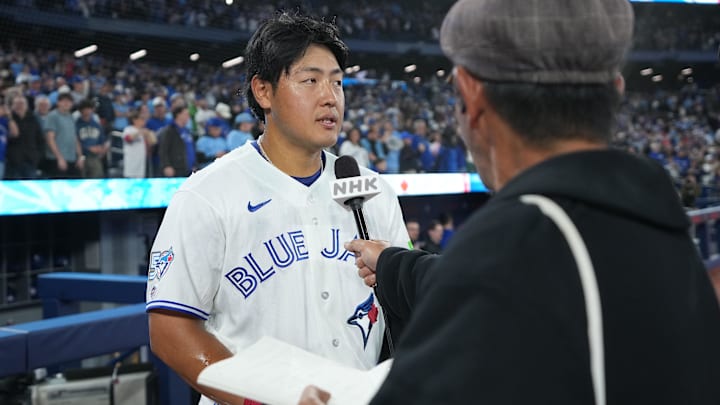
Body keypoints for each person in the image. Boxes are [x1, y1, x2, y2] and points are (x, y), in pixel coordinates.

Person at [301, 0, 720, 404]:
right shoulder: (661, 228)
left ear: (471, 95)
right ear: (617, 90)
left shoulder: (514, 242)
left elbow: (498, 282)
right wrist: (394, 262)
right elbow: (503, 284)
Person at [146, 11, 410, 405]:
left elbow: (406, 307)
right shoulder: (208, 193)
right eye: (310, 80)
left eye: (337, 82)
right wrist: (262, 399)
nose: (330, 96)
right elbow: (170, 329)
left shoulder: (372, 190)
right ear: (263, 91)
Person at [42, 92, 84, 178]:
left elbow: (75, 138)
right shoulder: (52, 116)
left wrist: (80, 157)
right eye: (64, 101)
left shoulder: (71, 117)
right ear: (58, 102)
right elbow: (50, 139)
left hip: (71, 158)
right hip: (56, 159)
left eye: (69, 101)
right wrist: (59, 158)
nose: (67, 103)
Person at [7, 94, 44, 179]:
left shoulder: (33, 119)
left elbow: (40, 140)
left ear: (26, 105)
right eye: (17, 104)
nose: (19, 106)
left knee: (31, 187)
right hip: (13, 161)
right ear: (12, 106)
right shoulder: (8, 120)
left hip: (30, 159)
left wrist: (37, 156)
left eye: (22, 103)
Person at [157, 105, 195, 177]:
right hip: (175, 169)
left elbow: (192, 149)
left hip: (189, 169)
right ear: (178, 115)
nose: (188, 117)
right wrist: (166, 165)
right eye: (186, 114)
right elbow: (163, 149)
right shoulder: (169, 131)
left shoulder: (187, 131)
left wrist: (195, 164)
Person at [76, 98, 109, 178]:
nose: (87, 111)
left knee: (97, 177)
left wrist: (101, 148)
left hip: (94, 157)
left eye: (89, 109)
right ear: (81, 111)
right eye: (85, 109)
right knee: (81, 179)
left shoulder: (96, 125)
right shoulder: (76, 124)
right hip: (81, 156)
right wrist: (88, 148)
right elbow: (75, 141)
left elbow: (102, 141)